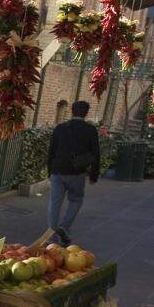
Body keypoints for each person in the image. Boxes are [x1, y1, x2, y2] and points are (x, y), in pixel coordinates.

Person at [47, 99, 101, 245]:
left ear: (72, 110)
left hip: (58, 170)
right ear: (86, 112)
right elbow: (96, 154)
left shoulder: (60, 128)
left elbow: (51, 150)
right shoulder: (90, 130)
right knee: (76, 199)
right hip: (77, 172)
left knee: (54, 203)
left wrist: (49, 171)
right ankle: (64, 227)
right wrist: (94, 176)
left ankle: (51, 236)